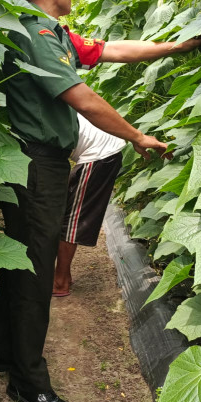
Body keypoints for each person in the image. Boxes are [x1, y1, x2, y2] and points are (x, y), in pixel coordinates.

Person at [0, 0, 201, 402]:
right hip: (35, 164)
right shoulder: (36, 33)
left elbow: (112, 51)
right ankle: (28, 382)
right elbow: (83, 100)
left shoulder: (52, 34)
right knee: (35, 268)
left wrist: (178, 46)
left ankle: (3, 352)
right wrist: (137, 136)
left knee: (21, 257)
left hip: (33, 162)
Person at [53, 114, 125, 297]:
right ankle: (63, 277)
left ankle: (60, 283)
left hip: (98, 155)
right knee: (70, 213)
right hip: (103, 153)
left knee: (72, 218)